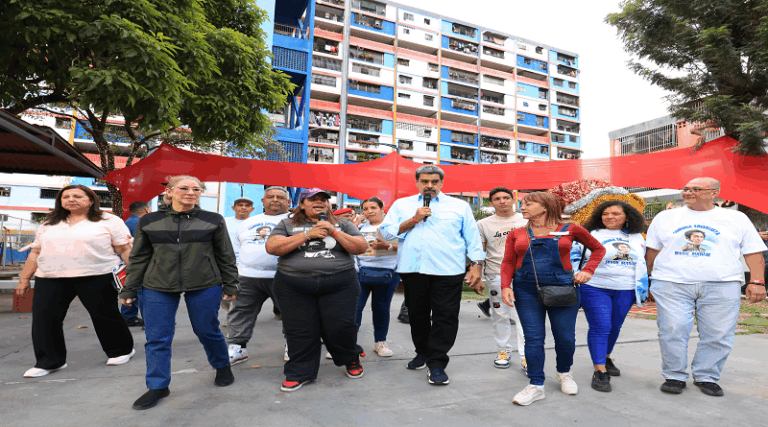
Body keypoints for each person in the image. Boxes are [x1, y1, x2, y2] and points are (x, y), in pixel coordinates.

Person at [121, 175, 240, 410]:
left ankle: (222, 366)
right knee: (157, 337)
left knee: (207, 329)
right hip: (157, 284)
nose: (191, 192)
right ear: (170, 191)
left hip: (205, 282)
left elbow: (225, 255)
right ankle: (157, 386)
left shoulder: (213, 220)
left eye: (196, 189)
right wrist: (130, 287)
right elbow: (139, 257)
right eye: (184, 188)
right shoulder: (149, 221)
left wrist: (231, 284)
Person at [646, 177, 767, 397]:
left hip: (722, 284)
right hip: (672, 283)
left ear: (714, 192)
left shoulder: (736, 218)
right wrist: (646, 279)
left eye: (696, 189)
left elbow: (752, 251)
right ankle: (674, 375)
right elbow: (651, 251)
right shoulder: (665, 217)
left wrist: (757, 281)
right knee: (672, 329)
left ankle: (707, 376)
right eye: (686, 189)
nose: (688, 192)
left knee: (719, 334)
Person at [15, 185, 135, 378]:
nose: (71, 199)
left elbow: (124, 249)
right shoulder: (50, 223)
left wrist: (136, 276)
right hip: (50, 277)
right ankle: (49, 361)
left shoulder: (109, 220)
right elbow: (35, 252)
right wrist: (24, 279)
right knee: (44, 319)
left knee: (105, 315)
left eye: (77, 196)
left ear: (91, 200)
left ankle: (121, 351)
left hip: (97, 275)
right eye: (66, 197)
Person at [380, 165, 485, 386]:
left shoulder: (459, 206)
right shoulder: (402, 205)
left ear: (441, 183)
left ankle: (437, 362)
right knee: (417, 315)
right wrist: (413, 219)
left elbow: (473, 238)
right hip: (413, 269)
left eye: (435, 181)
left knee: (445, 316)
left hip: (448, 270)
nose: (430, 185)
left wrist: (476, 265)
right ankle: (422, 352)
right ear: (417, 182)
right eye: (425, 181)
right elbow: (387, 233)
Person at [500, 192, 605, 406]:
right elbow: (508, 261)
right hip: (525, 289)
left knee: (565, 338)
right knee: (533, 338)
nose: (523, 207)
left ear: (546, 207)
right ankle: (536, 384)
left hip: (563, 287)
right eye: (522, 204)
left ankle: (564, 373)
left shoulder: (571, 228)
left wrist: (588, 270)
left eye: (529, 203)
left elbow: (598, 249)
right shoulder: (516, 233)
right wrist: (505, 286)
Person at [265, 188, 369, 392]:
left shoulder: (343, 224)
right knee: (300, 330)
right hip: (294, 285)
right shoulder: (287, 223)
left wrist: (334, 231)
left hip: (340, 284)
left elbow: (360, 247)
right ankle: (299, 372)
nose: (319, 202)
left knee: (341, 327)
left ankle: (350, 358)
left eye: (323, 199)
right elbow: (273, 247)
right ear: (302, 204)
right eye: (312, 199)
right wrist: (307, 234)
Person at [572, 200, 648, 392]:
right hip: (594, 287)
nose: (609, 217)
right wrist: (576, 275)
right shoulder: (589, 234)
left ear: (627, 216)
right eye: (605, 213)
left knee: (615, 326)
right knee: (601, 326)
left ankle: (605, 357)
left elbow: (642, 261)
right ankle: (600, 371)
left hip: (627, 289)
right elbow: (573, 256)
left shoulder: (637, 236)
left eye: (615, 213)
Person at [227, 186, 290, 365]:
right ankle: (237, 348)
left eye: (280, 197)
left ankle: (293, 345)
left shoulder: (294, 221)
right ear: (263, 201)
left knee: (293, 313)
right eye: (270, 196)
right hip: (247, 276)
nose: (275, 200)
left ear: (288, 202)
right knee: (240, 312)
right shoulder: (248, 222)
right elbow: (237, 248)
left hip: (284, 276)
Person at [476, 187, 528, 371]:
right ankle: (503, 351)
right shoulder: (483, 224)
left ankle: (527, 356)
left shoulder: (526, 220)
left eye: (506, 197)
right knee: (500, 315)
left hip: (524, 274)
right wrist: (477, 274)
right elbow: (480, 251)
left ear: (513, 199)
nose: (502, 201)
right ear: (491, 203)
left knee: (524, 316)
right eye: (497, 199)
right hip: (495, 273)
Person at [355, 197, 399, 357]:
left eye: (373, 208)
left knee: (381, 308)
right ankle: (347, 343)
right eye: (365, 209)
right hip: (361, 271)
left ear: (382, 208)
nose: (369, 211)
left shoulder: (393, 227)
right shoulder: (360, 227)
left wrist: (386, 246)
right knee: (355, 308)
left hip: (388, 272)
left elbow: (407, 247)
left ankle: (380, 342)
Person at [221, 197, 254, 316]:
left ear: (252, 209)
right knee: (223, 292)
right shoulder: (224, 222)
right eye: (240, 205)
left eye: (247, 205)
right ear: (233, 208)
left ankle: (233, 317)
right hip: (226, 262)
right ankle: (231, 311)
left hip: (245, 263)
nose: (243, 208)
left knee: (238, 291)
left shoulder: (255, 223)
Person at [121, 201, 151, 327]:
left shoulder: (127, 222)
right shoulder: (141, 223)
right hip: (138, 263)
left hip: (127, 262)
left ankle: (128, 316)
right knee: (143, 291)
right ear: (146, 210)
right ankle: (149, 321)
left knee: (132, 289)